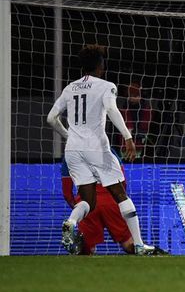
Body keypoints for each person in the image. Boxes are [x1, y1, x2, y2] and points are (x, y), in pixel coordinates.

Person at [47, 44, 156, 255]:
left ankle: (71, 222)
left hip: (73, 151)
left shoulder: (70, 88)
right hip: (96, 147)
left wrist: (69, 136)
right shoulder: (106, 86)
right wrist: (128, 137)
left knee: (87, 200)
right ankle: (140, 244)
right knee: (120, 194)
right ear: (100, 66)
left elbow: (51, 118)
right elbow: (112, 110)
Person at [61, 148, 134, 255]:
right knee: (128, 243)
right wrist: (118, 200)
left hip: (86, 201)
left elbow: (67, 193)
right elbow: (122, 181)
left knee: (87, 249)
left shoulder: (69, 156)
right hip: (110, 200)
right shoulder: (108, 149)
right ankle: (152, 255)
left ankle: (72, 223)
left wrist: (80, 211)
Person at [120, 81, 152, 158]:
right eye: (131, 95)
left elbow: (147, 128)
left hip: (141, 148)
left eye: (135, 95)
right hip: (125, 147)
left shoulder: (146, 110)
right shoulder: (124, 109)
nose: (132, 97)